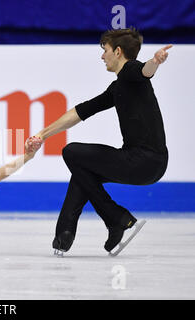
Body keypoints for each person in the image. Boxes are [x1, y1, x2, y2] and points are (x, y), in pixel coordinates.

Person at [25, 28, 171, 255]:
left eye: (105, 50)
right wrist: (41, 135)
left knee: (72, 152)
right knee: (84, 171)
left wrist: (155, 62)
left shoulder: (131, 71)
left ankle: (117, 216)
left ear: (118, 51)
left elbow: (145, 71)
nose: (102, 56)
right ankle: (65, 236)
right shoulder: (118, 87)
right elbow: (81, 111)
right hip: (147, 163)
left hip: (144, 160)